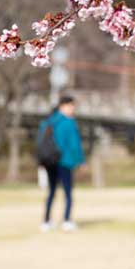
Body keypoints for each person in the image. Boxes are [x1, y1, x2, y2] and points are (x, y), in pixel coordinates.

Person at [38, 95, 85, 232]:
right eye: (72, 105)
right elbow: (74, 145)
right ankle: (67, 220)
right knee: (68, 192)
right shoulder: (68, 122)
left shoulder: (48, 121)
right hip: (65, 161)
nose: (73, 109)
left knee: (51, 191)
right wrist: (80, 161)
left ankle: (46, 221)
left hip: (49, 161)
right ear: (64, 106)